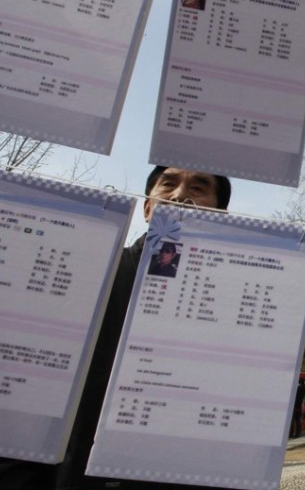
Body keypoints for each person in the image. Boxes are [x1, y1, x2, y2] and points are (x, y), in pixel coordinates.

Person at [55, 166, 231, 490]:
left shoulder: (235, 299)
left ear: (220, 214)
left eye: (199, 187)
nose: (180, 196)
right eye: (169, 184)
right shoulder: (96, 271)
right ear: (148, 207)